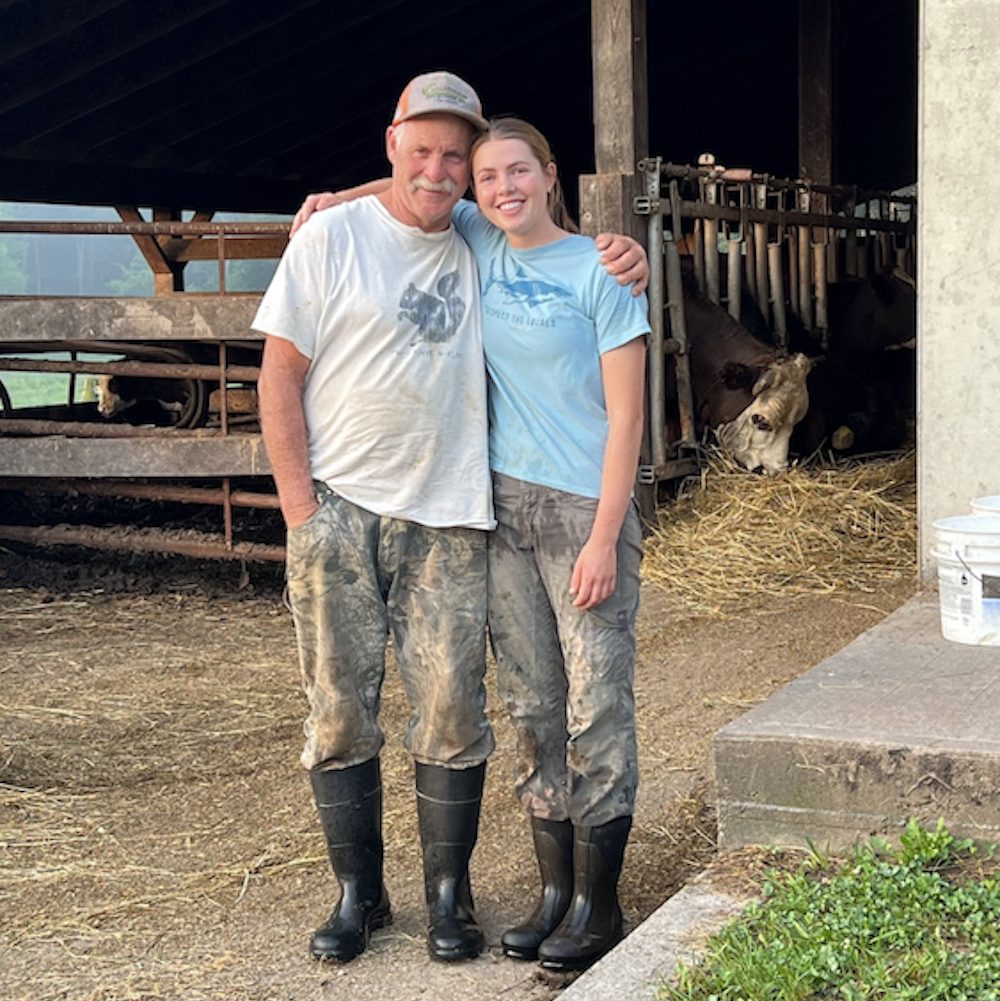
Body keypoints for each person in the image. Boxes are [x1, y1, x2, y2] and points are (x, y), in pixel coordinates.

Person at [256, 72, 648, 966]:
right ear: (392, 142)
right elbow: (281, 370)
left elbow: (622, 397)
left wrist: (618, 250)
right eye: (429, 153)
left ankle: (489, 898)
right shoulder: (378, 233)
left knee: (501, 706)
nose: (451, 176)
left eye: (463, 160)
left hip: (493, 512)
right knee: (407, 707)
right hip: (408, 509)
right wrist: (300, 511)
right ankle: (378, 894)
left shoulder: (540, 251)